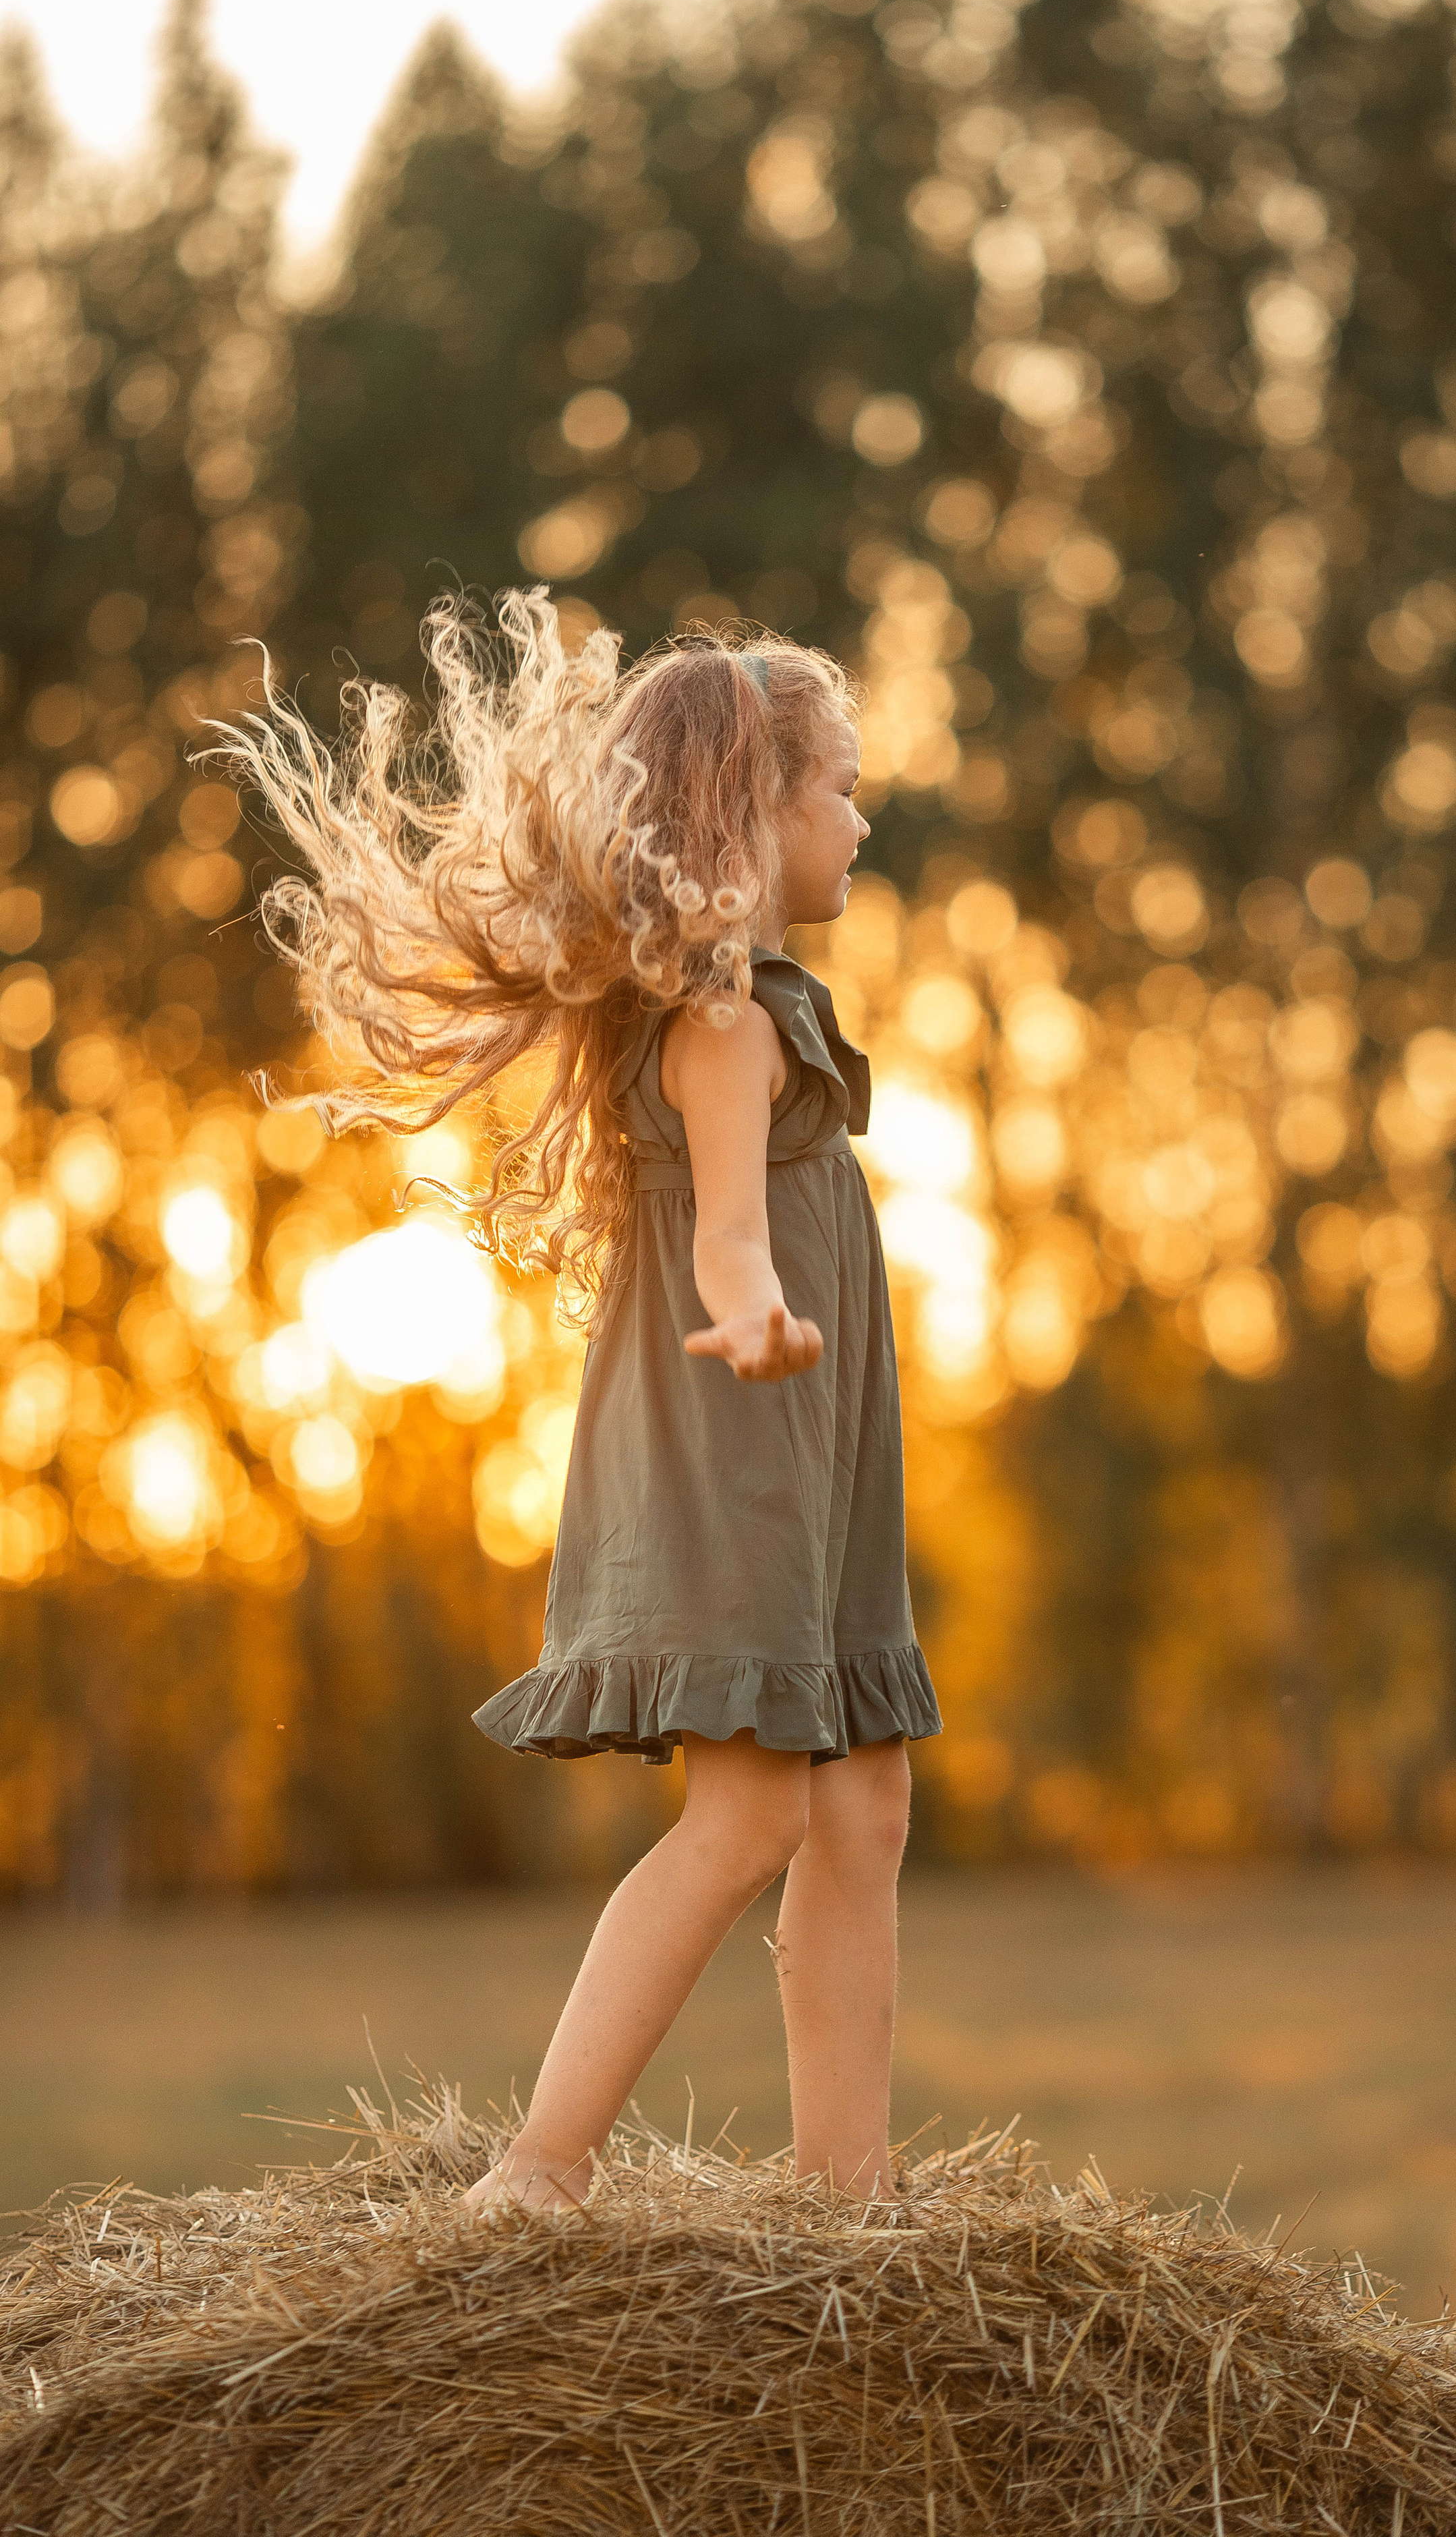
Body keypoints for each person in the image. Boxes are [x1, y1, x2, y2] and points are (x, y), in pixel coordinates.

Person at [212, 592, 939, 2211]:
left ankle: (849, 2190)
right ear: (754, 819)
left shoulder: (757, 1008)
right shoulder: (724, 1027)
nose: (863, 818)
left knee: (864, 1795)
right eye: (839, 790)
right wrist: (749, 1310)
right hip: (742, 1445)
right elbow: (734, 1234)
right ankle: (535, 2173)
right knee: (752, 1813)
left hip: (811, 1452)